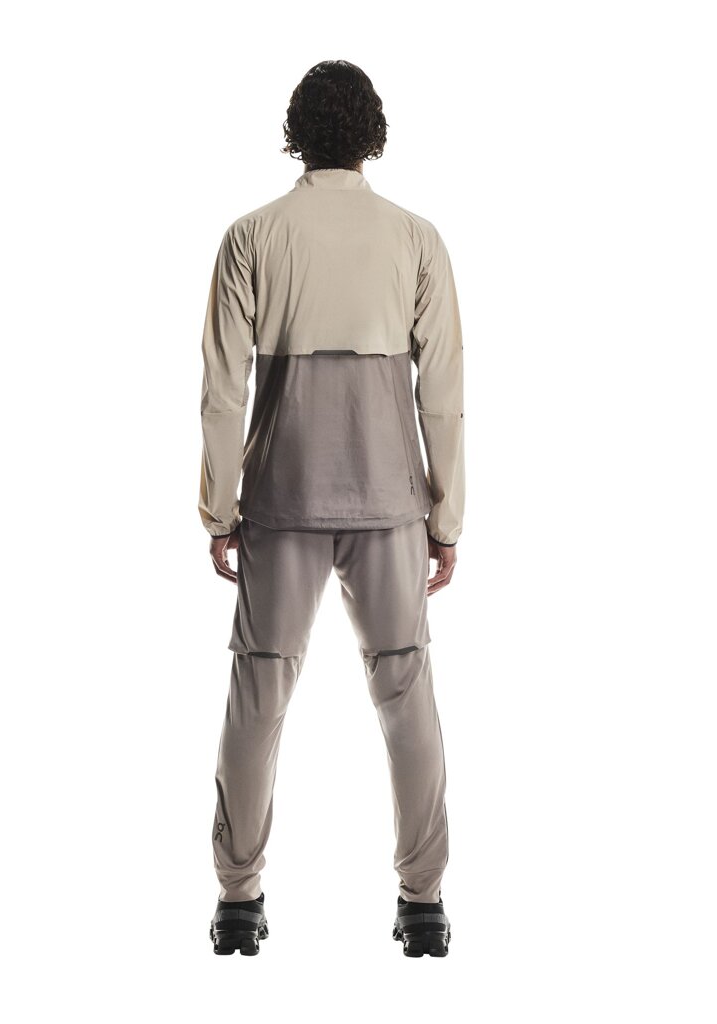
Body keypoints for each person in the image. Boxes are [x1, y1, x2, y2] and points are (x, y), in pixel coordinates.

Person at [199, 60, 464, 958]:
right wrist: (447, 518)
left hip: (282, 499)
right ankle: (423, 903)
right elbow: (444, 395)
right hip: (391, 504)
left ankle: (238, 899)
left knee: (258, 697)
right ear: (372, 135)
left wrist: (218, 508)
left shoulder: (252, 237)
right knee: (406, 695)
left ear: (296, 133)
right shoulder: (416, 239)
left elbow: (222, 392)